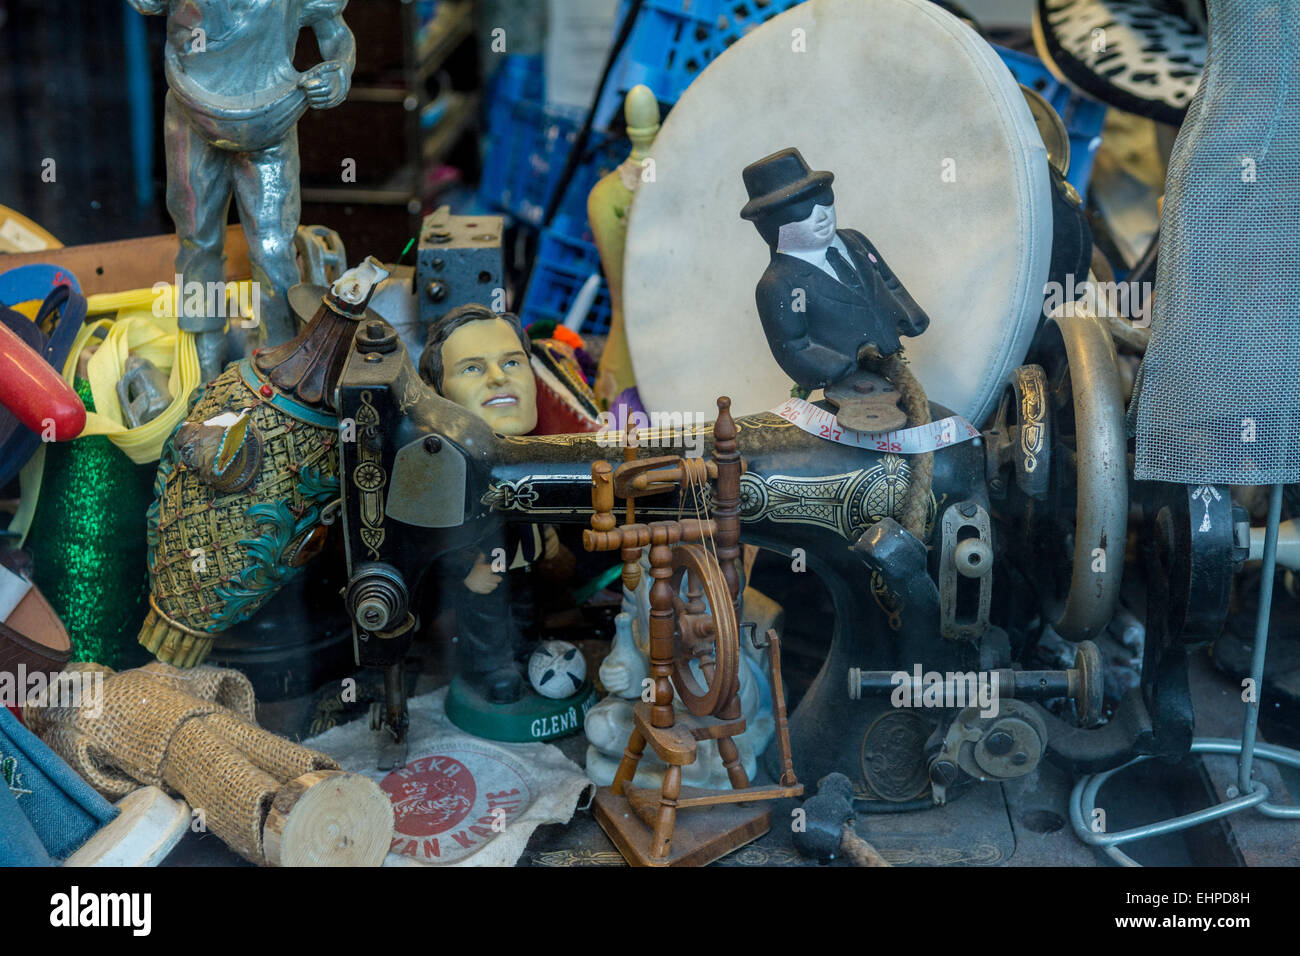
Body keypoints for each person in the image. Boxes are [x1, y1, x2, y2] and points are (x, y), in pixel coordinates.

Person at [129, 0, 356, 383]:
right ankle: (203, 367)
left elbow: (334, 31)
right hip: (191, 118)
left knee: (272, 249)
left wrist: (340, 72)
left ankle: (281, 364)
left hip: (270, 126)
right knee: (197, 240)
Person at [420, 305, 557, 703]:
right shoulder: (446, 469)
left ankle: (529, 655)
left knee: (527, 610)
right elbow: (434, 533)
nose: (499, 378)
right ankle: (492, 669)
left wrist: (545, 533)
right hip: (483, 566)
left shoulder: (535, 453)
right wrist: (465, 569)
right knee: (487, 619)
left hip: (522, 559)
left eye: (512, 362)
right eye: (472, 369)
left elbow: (536, 501)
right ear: (437, 394)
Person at [741, 147, 930, 392]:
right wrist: (835, 367)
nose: (821, 215)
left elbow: (887, 280)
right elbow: (792, 344)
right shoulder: (780, 284)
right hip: (846, 381)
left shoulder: (855, 240)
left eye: (823, 199)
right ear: (769, 225)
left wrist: (911, 314)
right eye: (801, 210)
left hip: (890, 359)